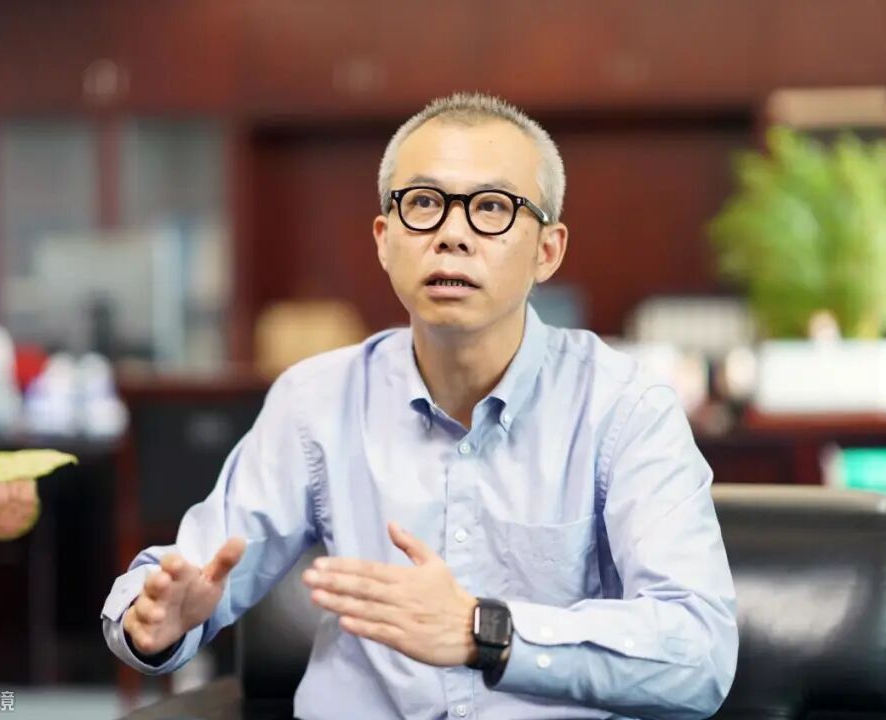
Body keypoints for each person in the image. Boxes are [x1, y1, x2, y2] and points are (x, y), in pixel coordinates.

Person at [101, 92, 738, 720]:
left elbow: (699, 654)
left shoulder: (624, 407)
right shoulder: (315, 401)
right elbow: (190, 570)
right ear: (384, 239)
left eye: (492, 207)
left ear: (547, 251)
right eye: (424, 204)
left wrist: (485, 632)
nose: (452, 235)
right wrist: (154, 621)